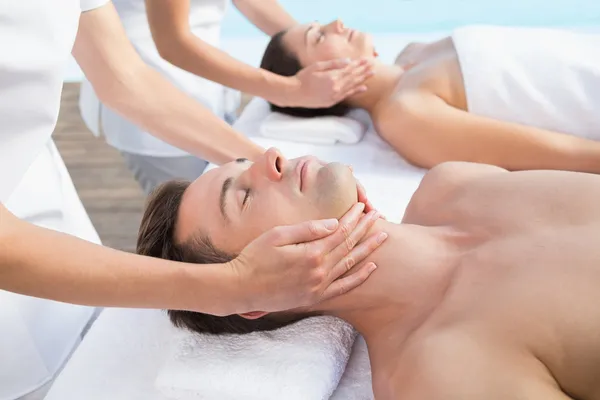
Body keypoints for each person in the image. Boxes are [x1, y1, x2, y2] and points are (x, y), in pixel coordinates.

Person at [0, 2, 381, 399]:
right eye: (245, 196)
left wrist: (273, 162)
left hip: (41, 196)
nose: (273, 161)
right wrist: (230, 286)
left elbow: (124, 76)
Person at [137, 150, 600, 399]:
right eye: (242, 196)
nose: (270, 157)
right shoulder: (439, 373)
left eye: (244, 162)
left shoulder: (455, 184)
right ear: (259, 290)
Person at [80, 0, 375, 194]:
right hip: (155, 100)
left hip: (207, 89)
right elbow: (173, 42)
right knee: (198, 233)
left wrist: (310, 51)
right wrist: (292, 89)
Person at [259, 20, 600, 174]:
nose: (336, 23)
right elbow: (558, 154)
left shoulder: (414, 52)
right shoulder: (404, 116)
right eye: (317, 37)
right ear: (316, 82)